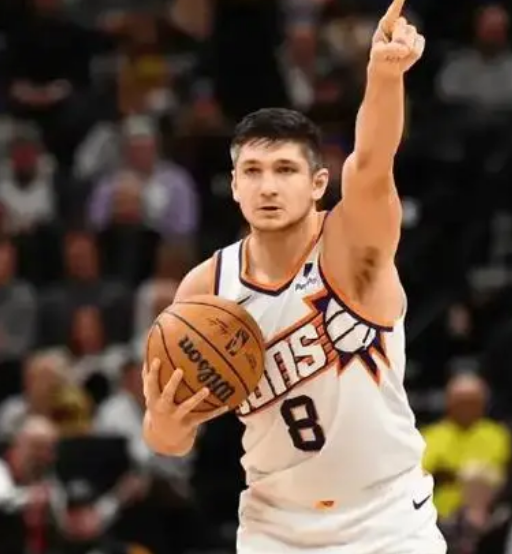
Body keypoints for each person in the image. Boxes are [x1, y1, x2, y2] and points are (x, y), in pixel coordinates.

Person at [139, 1, 444, 554]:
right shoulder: (205, 290)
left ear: (318, 183)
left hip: (389, 522)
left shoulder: (352, 245)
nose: (268, 187)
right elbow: (170, 441)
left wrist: (383, 76)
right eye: (252, 172)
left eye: (285, 170)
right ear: (234, 186)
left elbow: (372, 164)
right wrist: (165, 422)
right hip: (275, 529)